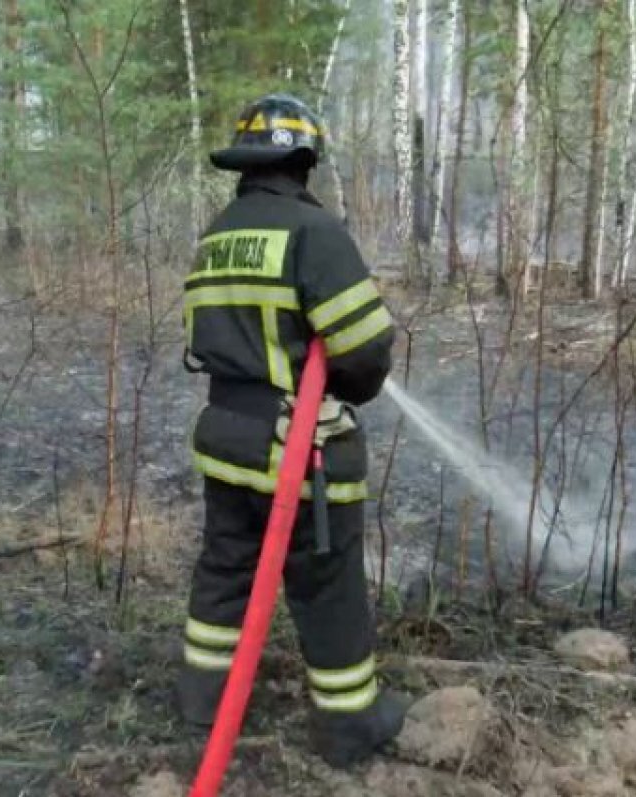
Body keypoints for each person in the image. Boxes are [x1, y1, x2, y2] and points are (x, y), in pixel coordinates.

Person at [177, 93, 409, 768]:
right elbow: (365, 351)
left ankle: (205, 697)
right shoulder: (315, 235)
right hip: (298, 450)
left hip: (226, 438)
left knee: (224, 568)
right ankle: (347, 724)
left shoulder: (217, 235)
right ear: (304, 161)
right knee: (327, 584)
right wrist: (352, 384)